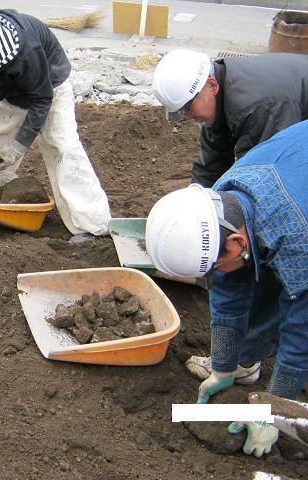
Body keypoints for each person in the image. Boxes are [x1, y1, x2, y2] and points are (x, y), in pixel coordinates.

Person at [145, 120, 308, 457]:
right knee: (254, 271)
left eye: (214, 267)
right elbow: (228, 290)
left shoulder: (296, 237)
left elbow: (300, 329)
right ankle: (242, 366)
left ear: (236, 241)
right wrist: (223, 365)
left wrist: (275, 412)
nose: (215, 275)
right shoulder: (223, 201)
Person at [0, 7, 111, 237]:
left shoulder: (24, 51)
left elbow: (42, 99)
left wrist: (18, 148)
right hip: (9, 90)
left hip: (49, 88)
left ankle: (91, 226)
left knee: (62, 149)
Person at [152, 48, 308, 187]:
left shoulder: (255, 108)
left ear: (212, 86)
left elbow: (266, 177)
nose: (188, 116)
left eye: (188, 108)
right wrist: (198, 200)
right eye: (181, 112)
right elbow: (212, 165)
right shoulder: (220, 93)